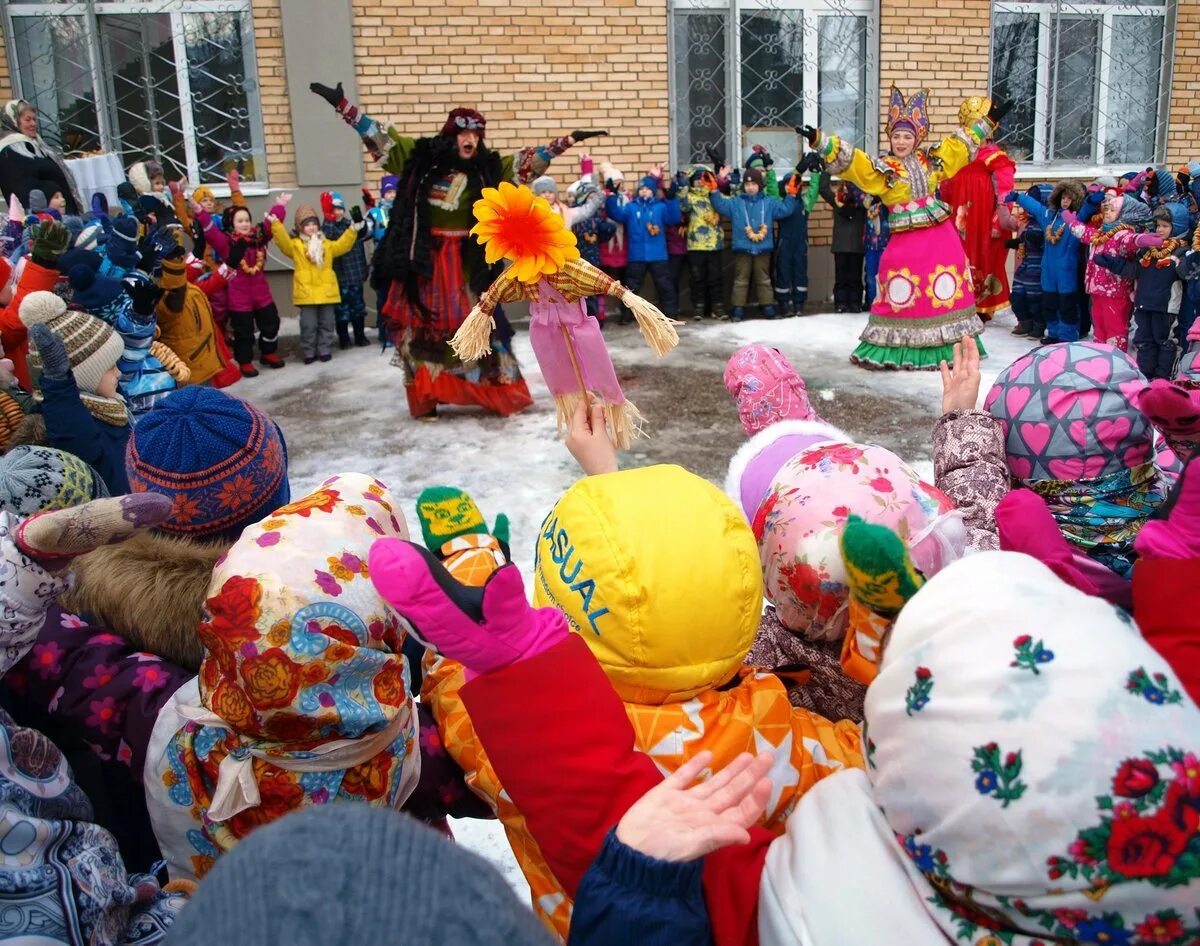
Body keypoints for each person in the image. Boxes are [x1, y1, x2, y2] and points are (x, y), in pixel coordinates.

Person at [369, 520, 1200, 946]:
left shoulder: (821, 903)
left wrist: (522, 672)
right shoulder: (1161, 830)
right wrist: (1174, 583)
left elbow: (620, 829)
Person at [309, 80, 601, 419]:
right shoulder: (421, 158)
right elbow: (384, 142)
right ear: (452, 136)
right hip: (423, 263)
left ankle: (497, 393)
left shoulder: (488, 167)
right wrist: (344, 106)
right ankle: (427, 396)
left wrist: (566, 142)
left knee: (479, 324)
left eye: (477, 135)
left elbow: (525, 163)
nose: (471, 140)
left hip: (467, 263)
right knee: (421, 329)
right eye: (466, 134)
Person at [800, 85, 1004, 369]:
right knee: (900, 284)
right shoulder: (885, 169)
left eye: (907, 135)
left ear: (917, 137)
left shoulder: (932, 161)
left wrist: (988, 121)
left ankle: (949, 349)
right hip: (906, 239)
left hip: (941, 238)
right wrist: (822, 142)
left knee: (944, 288)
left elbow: (959, 147)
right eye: (896, 135)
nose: (901, 141)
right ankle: (897, 348)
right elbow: (857, 164)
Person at [21, 295, 130, 494]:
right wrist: (59, 383)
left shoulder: (107, 404)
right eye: (109, 367)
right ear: (83, 376)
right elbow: (74, 437)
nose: (118, 372)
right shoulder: (72, 427)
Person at [938, 95, 1017, 321]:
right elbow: (946, 184)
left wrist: (997, 220)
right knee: (957, 255)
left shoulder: (994, 156)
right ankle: (958, 300)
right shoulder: (959, 155)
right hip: (958, 217)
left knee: (982, 256)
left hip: (983, 219)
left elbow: (1005, 191)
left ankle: (981, 306)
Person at [1063, 187, 1158, 352]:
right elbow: (1085, 233)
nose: (1107, 212)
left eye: (1112, 210)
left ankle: (1116, 359)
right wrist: (1072, 223)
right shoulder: (1100, 233)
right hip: (1097, 290)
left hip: (1115, 292)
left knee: (1115, 327)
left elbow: (1130, 241)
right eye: (1106, 209)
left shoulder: (1122, 233)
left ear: (1123, 214)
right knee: (1098, 324)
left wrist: (1142, 239)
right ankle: (1100, 356)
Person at [269, 199, 363, 364]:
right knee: (308, 325)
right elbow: (283, 242)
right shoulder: (296, 246)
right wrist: (276, 223)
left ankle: (324, 348)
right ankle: (309, 351)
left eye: (314, 223)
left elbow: (342, 245)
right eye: (307, 224)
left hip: (327, 291)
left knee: (327, 322)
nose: (311, 227)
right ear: (300, 227)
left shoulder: (325, 244)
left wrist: (352, 230)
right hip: (307, 293)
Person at [710, 168, 801, 320]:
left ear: (760, 185)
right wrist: (714, 191)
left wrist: (791, 194)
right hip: (742, 248)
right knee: (741, 279)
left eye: (753, 184)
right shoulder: (736, 202)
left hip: (763, 248)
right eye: (747, 184)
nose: (750, 187)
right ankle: (738, 308)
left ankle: (767, 306)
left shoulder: (769, 202)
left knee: (763, 279)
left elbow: (785, 210)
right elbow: (721, 206)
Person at [1010, 181, 1086, 343]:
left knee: (1067, 305)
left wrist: (1092, 202)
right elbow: (1036, 207)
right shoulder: (1049, 217)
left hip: (1066, 270)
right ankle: (1053, 333)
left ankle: (1067, 335)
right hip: (1048, 269)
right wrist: (1018, 197)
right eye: (1063, 197)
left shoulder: (1077, 219)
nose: (1065, 201)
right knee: (1049, 303)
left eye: (1069, 198)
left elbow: (1087, 211)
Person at [603, 170, 683, 322]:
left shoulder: (661, 207)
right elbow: (616, 214)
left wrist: (672, 199)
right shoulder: (631, 208)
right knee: (631, 288)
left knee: (665, 286)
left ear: (653, 191)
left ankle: (670, 314)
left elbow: (674, 218)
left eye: (647, 188)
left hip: (658, 254)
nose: (644, 191)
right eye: (641, 188)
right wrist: (612, 197)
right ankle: (626, 315)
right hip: (637, 254)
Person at [0, 99, 82, 215]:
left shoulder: (33, 143)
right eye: (27, 120)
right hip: (43, 220)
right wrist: (51, 190)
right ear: (13, 121)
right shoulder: (12, 148)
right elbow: (22, 187)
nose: (33, 124)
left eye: (34, 119)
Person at [320, 191, 372, 349]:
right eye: (334, 209)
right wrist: (328, 219)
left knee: (358, 307)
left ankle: (360, 335)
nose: (338, 213)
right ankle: (344, 338)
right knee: (341, 310)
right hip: (339, 276)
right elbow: (329, 237)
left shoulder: (350, 224)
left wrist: (364, 216)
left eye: (340, 209)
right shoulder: (328, 227)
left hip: (355, 273)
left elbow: (365, 233)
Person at [677, 165, 725, 320]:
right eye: (696, 179)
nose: (699, 182)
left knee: (715, 277)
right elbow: (683, 206)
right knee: (697, 278)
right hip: (696, 246)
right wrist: (683, 186)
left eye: (703, 178)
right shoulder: (690, 197)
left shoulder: (714, 196)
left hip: (714, 245)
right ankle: (699, 307)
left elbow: (727, 205)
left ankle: (717, 307)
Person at [817, 173, 867, 313]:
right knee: (841, 276)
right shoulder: (837, 199)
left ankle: (855, 302)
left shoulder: (863, 201)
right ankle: (841, 302)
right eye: (846, 185)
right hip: (841, 245)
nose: (849, 189)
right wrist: (827, 170)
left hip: (857, 245)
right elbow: (823, 189)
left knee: (855, 277)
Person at [1005, 186, 1046, 337]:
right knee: (1016, 295)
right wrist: (1016, 243)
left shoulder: (1045, 221)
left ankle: (1038, 324)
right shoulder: (1028, 221)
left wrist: (1038, 241)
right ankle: (1025, 321)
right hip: (1025, 264)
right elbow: (1025, 240)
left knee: (1034, 297)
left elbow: (1050, 242)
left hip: (1037, 265)